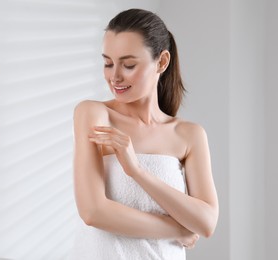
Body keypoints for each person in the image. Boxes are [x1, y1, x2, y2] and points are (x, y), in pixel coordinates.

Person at [70, 8, 219, 260]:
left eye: (128, 65)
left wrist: (137, 171)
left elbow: (206, 223)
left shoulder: (189, 135)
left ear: (161, 62)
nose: (114, 76)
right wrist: (177, 230)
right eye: (107, 63)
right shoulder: (93, 114)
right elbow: (93, 211)